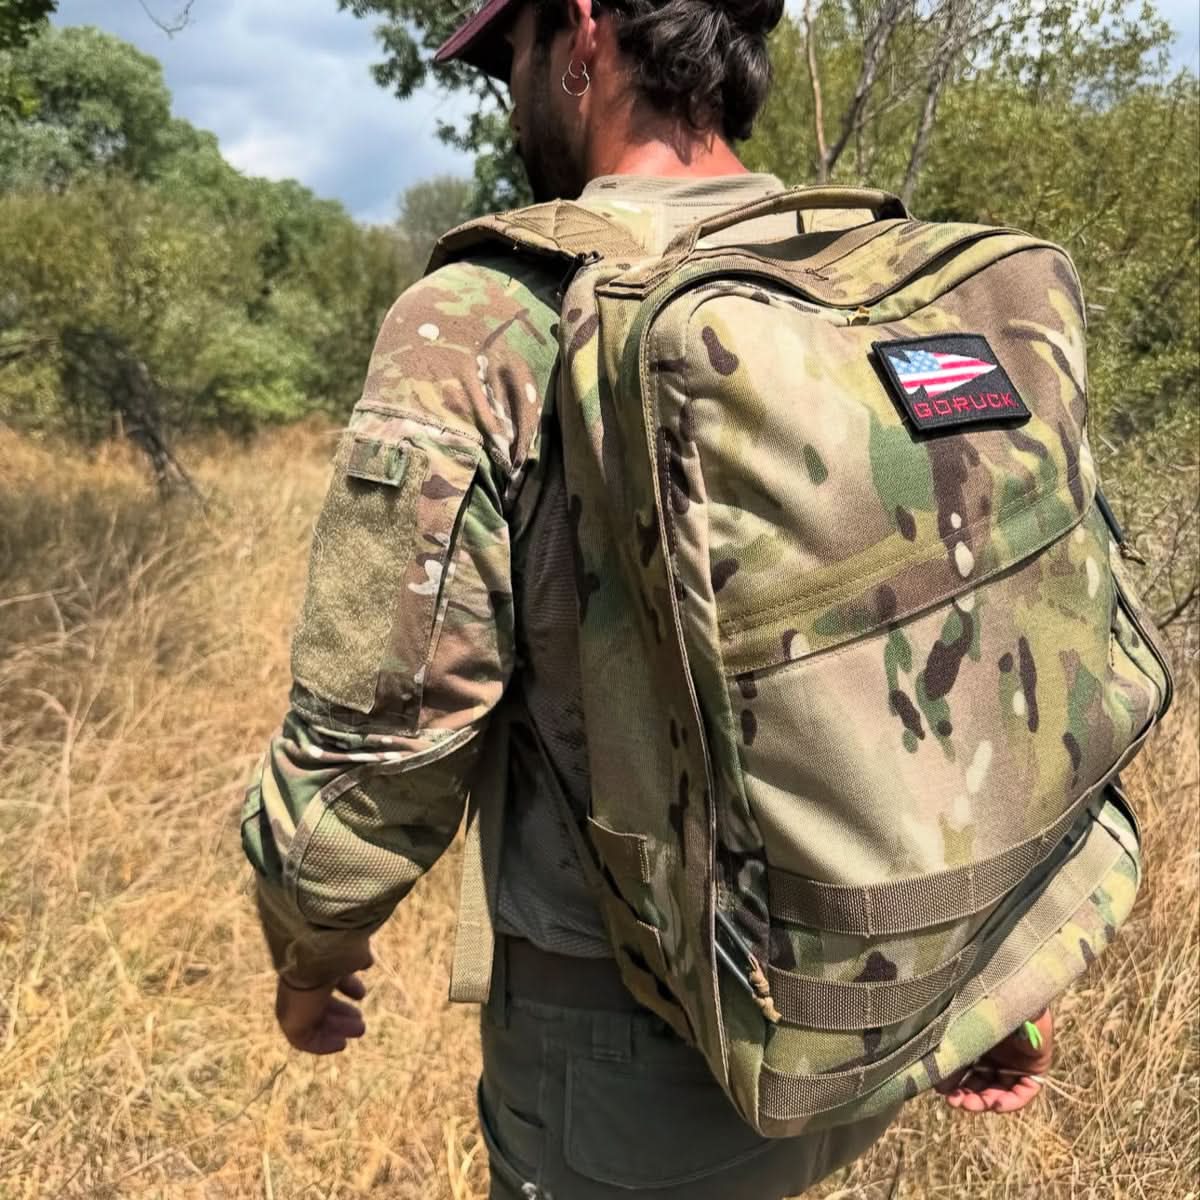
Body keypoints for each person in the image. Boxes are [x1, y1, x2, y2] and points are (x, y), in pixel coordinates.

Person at [241, 2, 1055, 1195]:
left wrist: (311, 946)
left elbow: (380, 731)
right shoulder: (868, 267)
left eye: (507, 54)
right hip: (890, 1004)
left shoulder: (493, 312)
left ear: (579, 31)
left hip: (636, 1045)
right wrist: (988, 971)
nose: (507, 90)